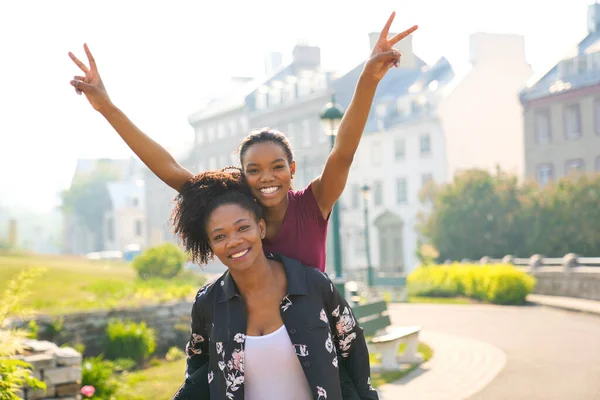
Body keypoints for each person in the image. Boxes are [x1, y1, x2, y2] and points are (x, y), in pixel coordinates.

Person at [67, 11, 418, 274]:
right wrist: (106, 108)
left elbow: (342, 151)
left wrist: (369, 80)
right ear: (243, 174)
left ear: (292, 169)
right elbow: (171, 169)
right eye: (254, 170)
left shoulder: (313, 203)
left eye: (277, 167)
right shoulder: (237, 208)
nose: (267, 177)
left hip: (313, 340)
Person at [170, 169, 378, 400]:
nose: (234, 241)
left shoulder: (313, 285)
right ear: (210, 245)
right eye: (220, 236)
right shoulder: (208, 302)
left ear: (260, 228)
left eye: (242, 228)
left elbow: (354, 355)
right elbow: (199, 368)